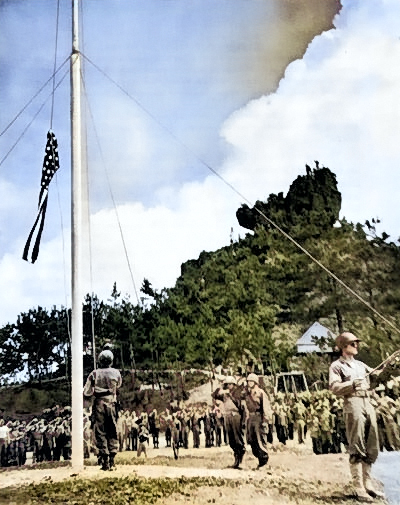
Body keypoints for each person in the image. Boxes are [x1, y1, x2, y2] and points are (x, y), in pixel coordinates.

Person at [329, 332, 385, 501]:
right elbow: (334, 387)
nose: (356, 346)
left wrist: (391, 366)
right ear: (343, 346)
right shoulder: (337, 366)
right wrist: (352, 384)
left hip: (368, 402)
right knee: (357, 442)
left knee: (371, 442)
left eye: (356, 343)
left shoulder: (361, 365)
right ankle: (358, 486)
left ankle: (368, 483)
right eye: (353, 343)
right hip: (352, 402)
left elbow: (378, 377)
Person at [83, 349, 122, 471]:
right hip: (112, 403)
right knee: (112, 429)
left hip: (99, 403)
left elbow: (87, 391)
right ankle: (112, 460)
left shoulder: (94, 374)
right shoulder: (116, 373)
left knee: (100, 431)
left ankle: (104, 460)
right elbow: (119, 384)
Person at [212, 376, 246, 469]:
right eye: (227, 384)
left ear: (234, 384)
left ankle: (241, 459)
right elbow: (214, 395)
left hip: (235, 415)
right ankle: (236, 459)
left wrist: (229, 394)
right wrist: (220, 386)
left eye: (230, 384)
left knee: (237, 438)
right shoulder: (224, 393)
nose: (229, 386)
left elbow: (239, 404)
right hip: (227, 416)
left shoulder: (237, 392)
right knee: (231, 439)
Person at [244, 372, 272, 469]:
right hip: (251, 418)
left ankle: (264, 460)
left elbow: (266, 407)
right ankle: (259, 460)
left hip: (259, 417)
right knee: (252, 440)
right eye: (248, 381)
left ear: (255, 382)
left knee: (260, 439)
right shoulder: (247, 394)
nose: (249, 383)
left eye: (251, 381)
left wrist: (265, 420)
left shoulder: (260, 393)